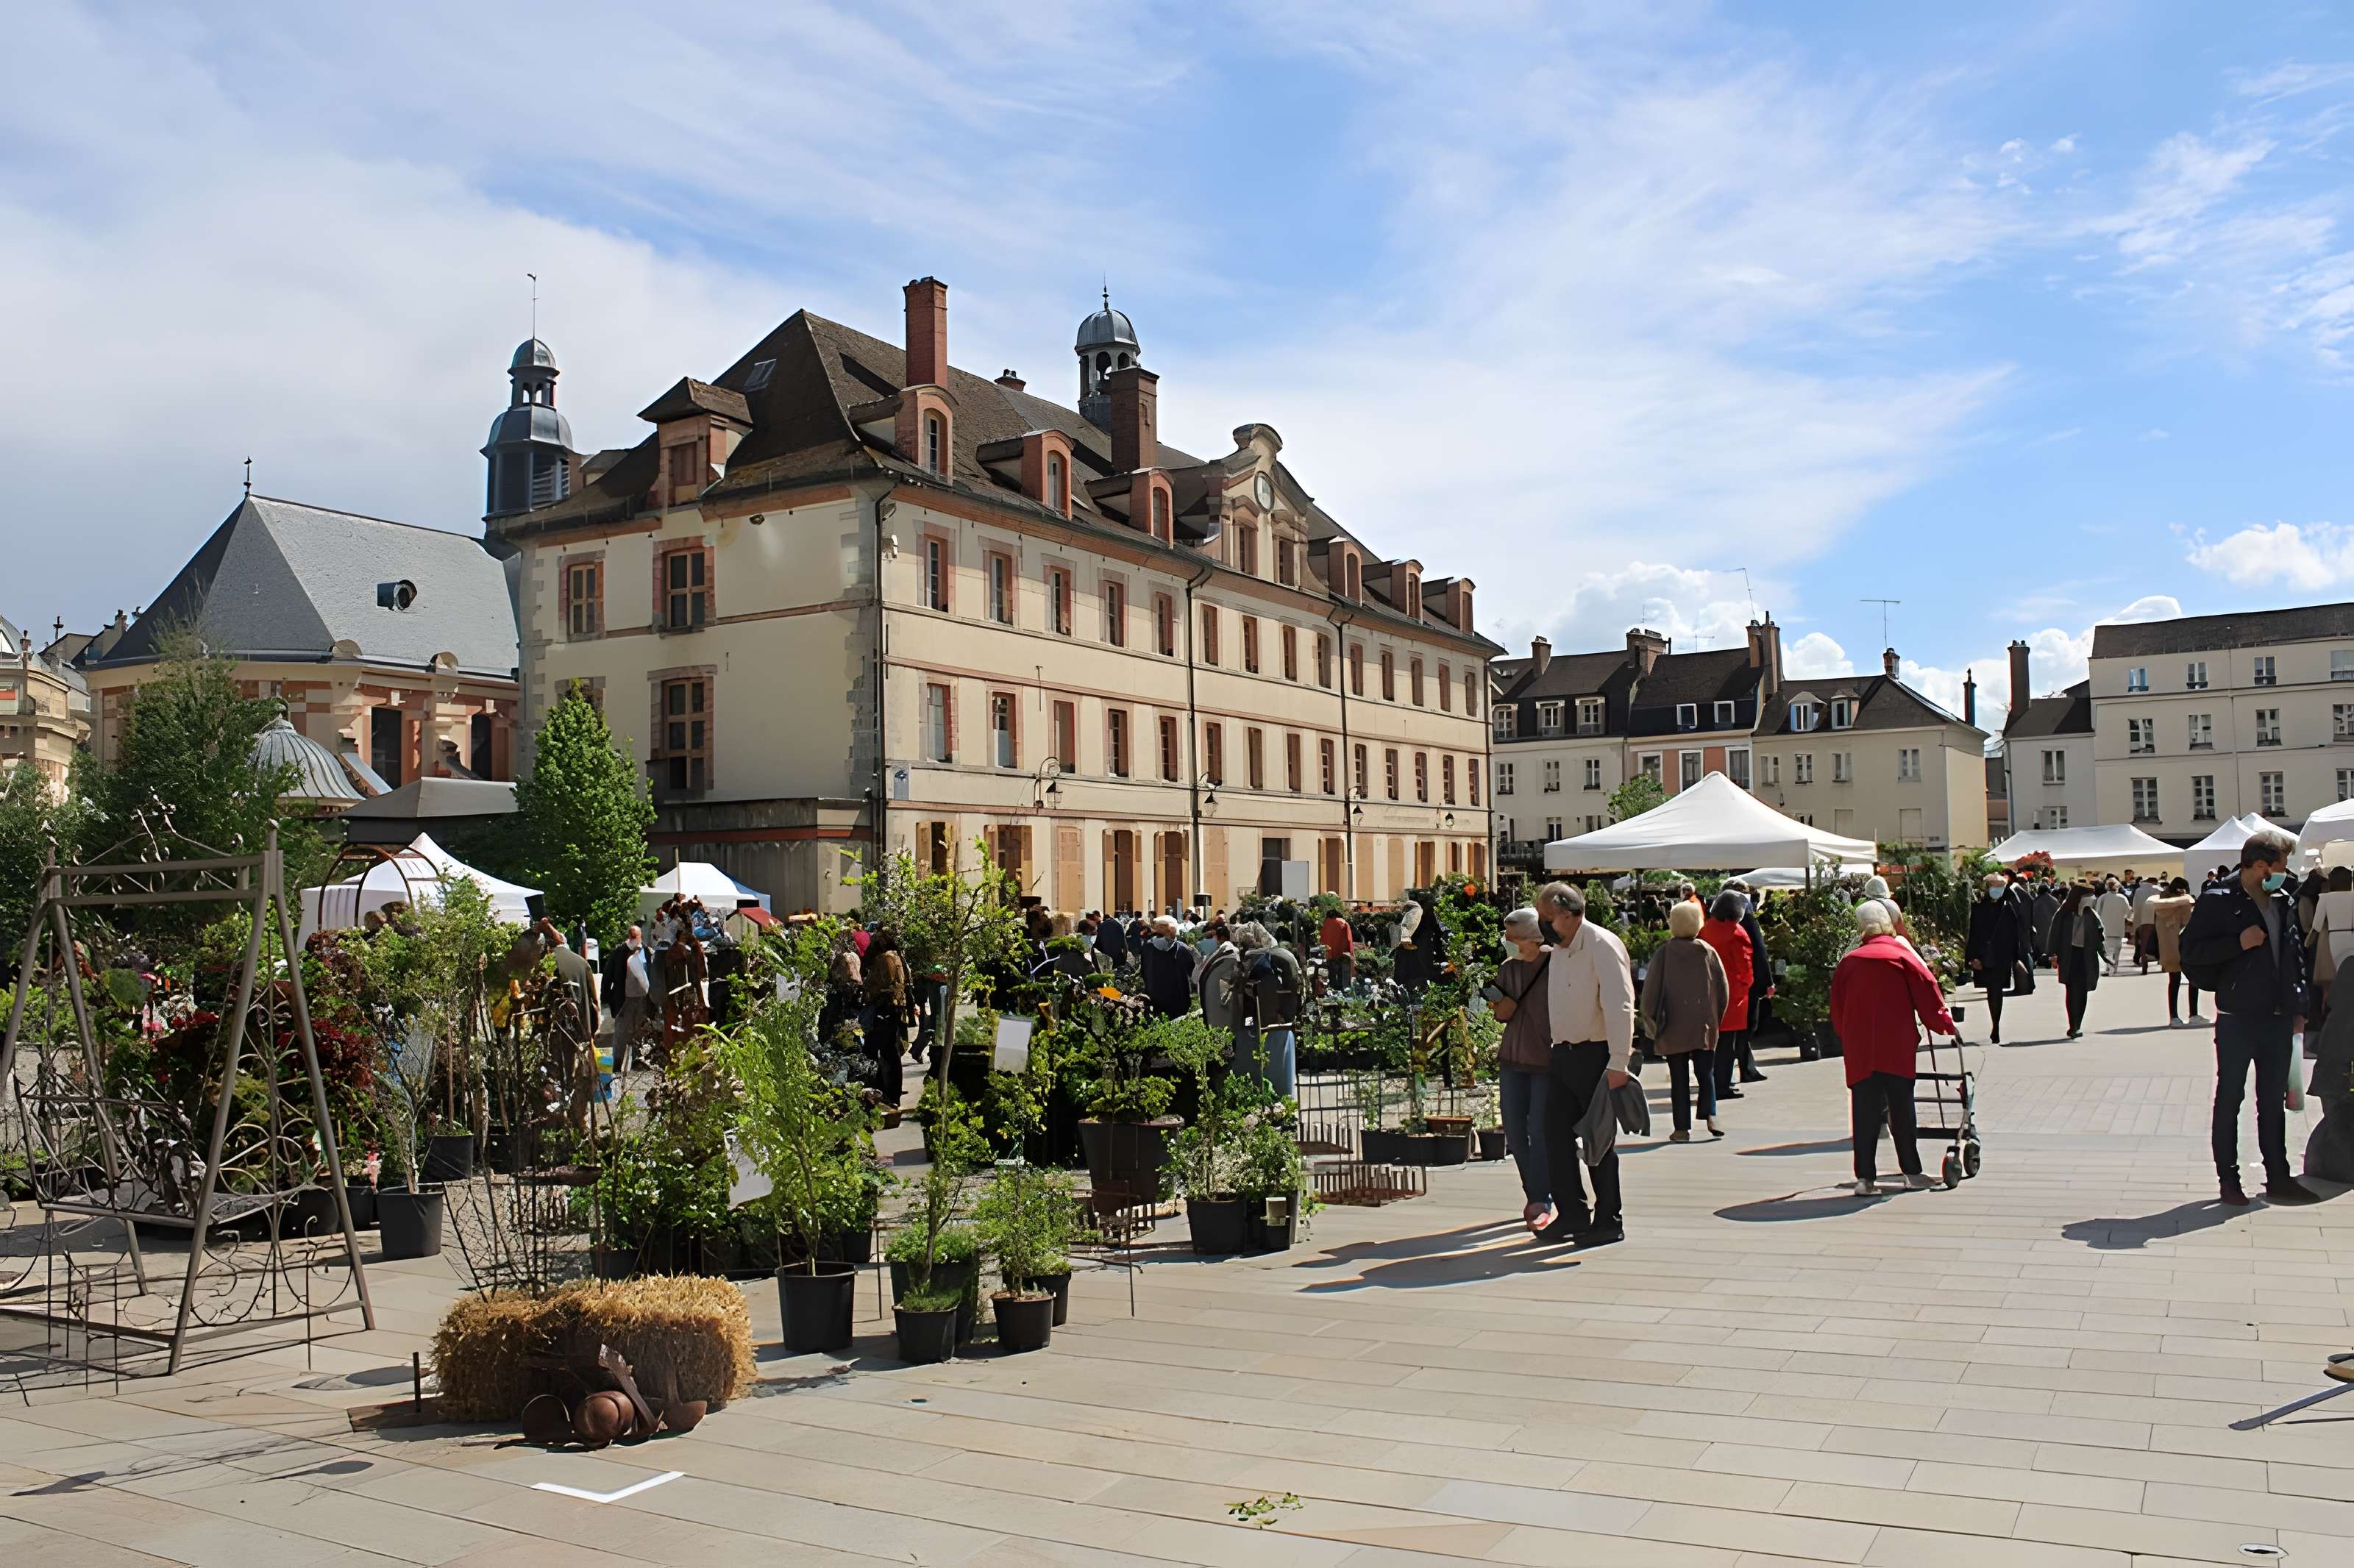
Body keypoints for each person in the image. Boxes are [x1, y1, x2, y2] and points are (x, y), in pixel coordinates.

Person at [2180, 831, 2320, 1206]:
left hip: (2278, 1016)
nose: (2284, 874)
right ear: (2259, 866)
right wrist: (2238, 944)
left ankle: (2279, 1177)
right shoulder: (2218, 901)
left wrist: (2299, 1007)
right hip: (2237, 1017)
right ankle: (2229, 1180)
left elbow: (2293, 955)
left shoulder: (2283, 899)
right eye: (2279, 867)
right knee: (2231, 1097)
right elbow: (2190, 952)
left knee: (2273, 1100)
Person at [1831, 899, 1955, 1194]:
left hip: (1861, 1048)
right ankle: (1911, 1172)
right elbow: (1929, 994)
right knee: (1901, 1109)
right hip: (1896, 1045)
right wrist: (1944, 1024)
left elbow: (1837, 1009)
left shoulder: (1849, 962)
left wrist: (1848, 1037)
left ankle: (1865, 1179)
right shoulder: (1901, 957)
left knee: (1863, 1112)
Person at [1535, 882, 1635, 1247]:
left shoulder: (1602, 945)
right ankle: (1573, 1214)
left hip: (1596, 1055)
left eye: (1547, 918)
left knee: (1599, 1140)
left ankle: (1609, 1220)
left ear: (1569, 913)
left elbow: (1621, 1006)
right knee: (1554, 1137)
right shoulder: (1560, 948)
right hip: (1562, 1054)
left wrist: (1619, 1063)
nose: (1542, 925)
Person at [1640, 899, 1728, 1143]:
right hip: (1703, 1023)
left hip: (1672, 1025)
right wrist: (1716, 1018)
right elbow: (1723, 990)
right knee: (1705, 1072)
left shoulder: (1664, 953)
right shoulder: (1707, 951)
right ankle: (1711, 1114)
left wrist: (1649, 1019)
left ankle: (1681, 1129)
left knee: (1678, 1077)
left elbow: (1650, 990)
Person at [1491, 908, 1556, 1230]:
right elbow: (1501, 1015)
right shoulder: (1507, 969)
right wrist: (1496, 1002)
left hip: (1545, 1058)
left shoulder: (1556, 964)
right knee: (1515, 1130)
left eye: (1513, 938)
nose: (1508, 943)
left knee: (1539, 1130)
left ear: (1532, 938)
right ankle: (1535, 1193)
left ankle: (1542, 1195)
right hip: (1512, 1057)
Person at [1232, 921, 1303, 1100]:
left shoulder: (1264, 974)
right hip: (1279, 1024)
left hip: (1269, 1025)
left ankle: (1272, 1098)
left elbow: (1255, 1004)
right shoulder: (1274, 963)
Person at [1965, 871, 2035, 1046]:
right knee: (1992, 990)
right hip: (1983, 956)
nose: (1999, 890)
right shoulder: (1979, 908)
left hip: (2002, 956)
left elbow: (2017, 933)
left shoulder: (2010, 907)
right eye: (1995, 887)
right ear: (1987, 888)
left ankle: (1995, 1026)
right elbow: (1972, 934)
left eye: (2001, 887)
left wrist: (2017, 957)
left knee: (1995, 990)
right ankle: (1995, 1025)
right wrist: (1972, 957)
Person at [1699, 891, 1754, 1100]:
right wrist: (1747, 985)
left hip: (1708, 991)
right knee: (1727, 1045)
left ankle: (1712, 1083)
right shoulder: (1737, 933)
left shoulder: (1705, 929)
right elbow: (1745, 965)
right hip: (1733, 994)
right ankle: (1722, 1086)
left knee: (1712, 1042)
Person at [861, 924, 911, 1106]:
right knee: (890, 1052)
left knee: (881, 1050)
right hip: (896, 1009)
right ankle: (889, 1091)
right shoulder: (897, 957)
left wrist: (867, 989)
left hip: (885, 1009)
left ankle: (885, 1091)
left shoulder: (884, 959)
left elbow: (876, 984)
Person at [2052, 883, 2104, 1038]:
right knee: (2072, 990)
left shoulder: (2091, 914)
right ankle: (2073, 1025)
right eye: (2089, 896)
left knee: (2082, 991)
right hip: (2069, 956)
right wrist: (2053, 955)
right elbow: (2055, 934)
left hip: (2086, 956)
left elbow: (2100, 935)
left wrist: (2105, 954)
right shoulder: (2064, 913)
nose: (2092, 899)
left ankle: (2078, 1024)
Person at [2152, 877, 2200, 1025]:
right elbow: (2190, 923)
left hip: (2170, 949)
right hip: (2184, 947)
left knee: (2175, 981)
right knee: (2193, 980)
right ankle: (2193, 1014)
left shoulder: (2161, 906)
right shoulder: (2182, 904)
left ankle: (2174, 1016)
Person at [2311, 866, 2354, 1028]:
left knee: (2332, 984)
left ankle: (2331, 1020)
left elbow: (2316, 925)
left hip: (2333, 939)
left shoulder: (2326, 898)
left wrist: (2308, 942)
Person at [1138, 914, 1195, 1018]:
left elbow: (1143, 972)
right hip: (1178, 1001)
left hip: (1155, 999)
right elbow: (1194, 973)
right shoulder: (1181, 949)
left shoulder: (1147, 948)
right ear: (1170, 930)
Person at [1194, 920, 1242, 1034]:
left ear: (1221, 938)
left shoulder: (1226, 951)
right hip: (1218, 993)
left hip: (1217, 993)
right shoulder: (1225, 951)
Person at [2094, 879, 2132, 975]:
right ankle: (2114, 968)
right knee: (2116, 951)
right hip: (2118, 929)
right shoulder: (2122, 898)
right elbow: (2128, 914)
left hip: (2105, 930)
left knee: (2106, 951)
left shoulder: (2102, 898)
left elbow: (2097, 913)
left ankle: (2108, 968)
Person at [2131, 873, 2162, 974]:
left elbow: (2135, 906)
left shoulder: (2138, 891)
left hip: (2141, 920)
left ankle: (2138, 959)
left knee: (2140, 944)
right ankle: (2159, 959)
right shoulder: (2158, 890)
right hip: (2155, 920)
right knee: (2158, 941)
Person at [1320, 905, 1356, 991]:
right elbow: (1349, 939)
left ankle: (1333, 990)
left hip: (1329, 953)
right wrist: (1351, 953)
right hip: (1341, 953)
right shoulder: (1343, 923)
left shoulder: (1326, 924)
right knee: (1341, 975)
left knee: (1332, 975)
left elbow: (1322, 939)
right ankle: (1341, 991)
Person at [2027, 877, 2060, 966]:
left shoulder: (2036, 902)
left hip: (2038, 930)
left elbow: (2031, 917)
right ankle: (2049, 959)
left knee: (2040, 944)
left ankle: (2043, 958)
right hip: (2052, 928)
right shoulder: (2054, 901)